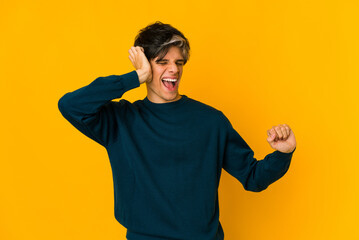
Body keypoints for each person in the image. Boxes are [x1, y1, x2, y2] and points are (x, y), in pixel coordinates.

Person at [58, 21, 297, 240]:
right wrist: (135, 77)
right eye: (162, 62)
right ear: (147, 66)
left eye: (178, 62)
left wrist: (283, 154)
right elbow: (70, 105)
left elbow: (253, 177)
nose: (173, 69)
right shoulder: (121, 120)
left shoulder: (211, 121)